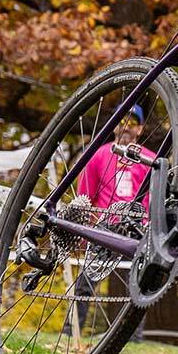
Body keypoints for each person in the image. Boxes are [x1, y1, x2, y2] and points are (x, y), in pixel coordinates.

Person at [64, 104, 153, 340]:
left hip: (138, 226)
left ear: (140, 129)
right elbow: (86, 196)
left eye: (132, 122)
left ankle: (133, 337)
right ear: (114, 125)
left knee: (138, 282)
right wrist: (84, 231)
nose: (126, 126)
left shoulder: (150, 159)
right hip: (105, 225)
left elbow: (155, 200)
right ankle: (70, 330)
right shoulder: (98, 155)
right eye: (122, 120)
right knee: (87, 279)